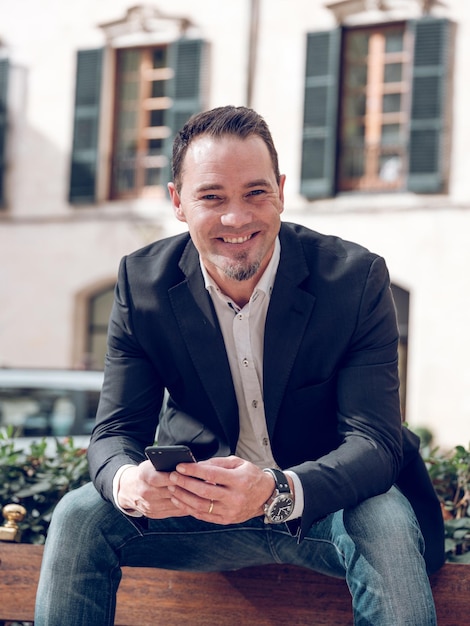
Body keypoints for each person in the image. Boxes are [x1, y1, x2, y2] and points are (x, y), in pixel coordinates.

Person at [35, 106, 444, 625]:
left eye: (255, 192)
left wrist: (277, 491)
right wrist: (129, 482)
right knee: (79, 515)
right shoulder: (143, 285)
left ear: (281, 190)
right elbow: (114, 431)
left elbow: (375, 442)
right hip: (197, 515)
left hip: (321, 511)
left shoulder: (355, 279)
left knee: (382, 515)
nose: (237, 218)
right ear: (178, 202)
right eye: (211, 197)